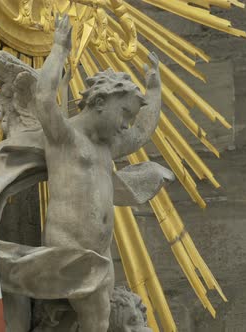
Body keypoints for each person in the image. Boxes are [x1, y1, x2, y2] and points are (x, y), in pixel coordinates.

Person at [31, 14, 162, 331]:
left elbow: (142, 133)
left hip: (99, 252)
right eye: (124, 113)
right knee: (96, 320)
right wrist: (59, 49)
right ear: (100, 102)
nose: (125, 125)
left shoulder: (107, 146)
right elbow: (45, 98)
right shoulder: (65, 137)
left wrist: (155, 89)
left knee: (97, 321)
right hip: (70, 249)